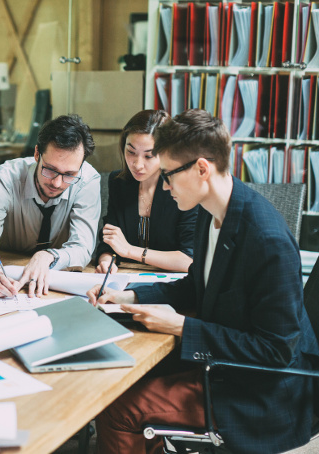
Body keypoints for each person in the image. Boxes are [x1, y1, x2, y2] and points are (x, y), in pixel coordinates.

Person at [87, 109, 319, 454]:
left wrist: (182, 326)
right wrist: (129, 295)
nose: (163, 185)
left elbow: (276, 352)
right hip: (225, 360)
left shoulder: (266, 238)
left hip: (263, 392)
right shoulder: (211, 213)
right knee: (117, 377)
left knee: (119, 409)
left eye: (167, 174)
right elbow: (195, 286)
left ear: (201, 169)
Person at [0, 114, 100, 298]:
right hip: (8, 271)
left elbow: (83, 247)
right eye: (50, 169)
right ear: (37, 154)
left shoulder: (87, 180)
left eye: (69, 174)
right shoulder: (4, 180)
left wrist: (49, 256)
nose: (57, 183)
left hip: (55, 277)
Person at [96, 110, 196, 274]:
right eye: (131, 152)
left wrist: (129, 251)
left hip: (171, 284)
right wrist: (106, 260)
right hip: (124, 278)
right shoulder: (118, 182)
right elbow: (109, 239)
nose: (137, 164)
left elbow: (189, 259)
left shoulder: (185, 188)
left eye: (149, 156)